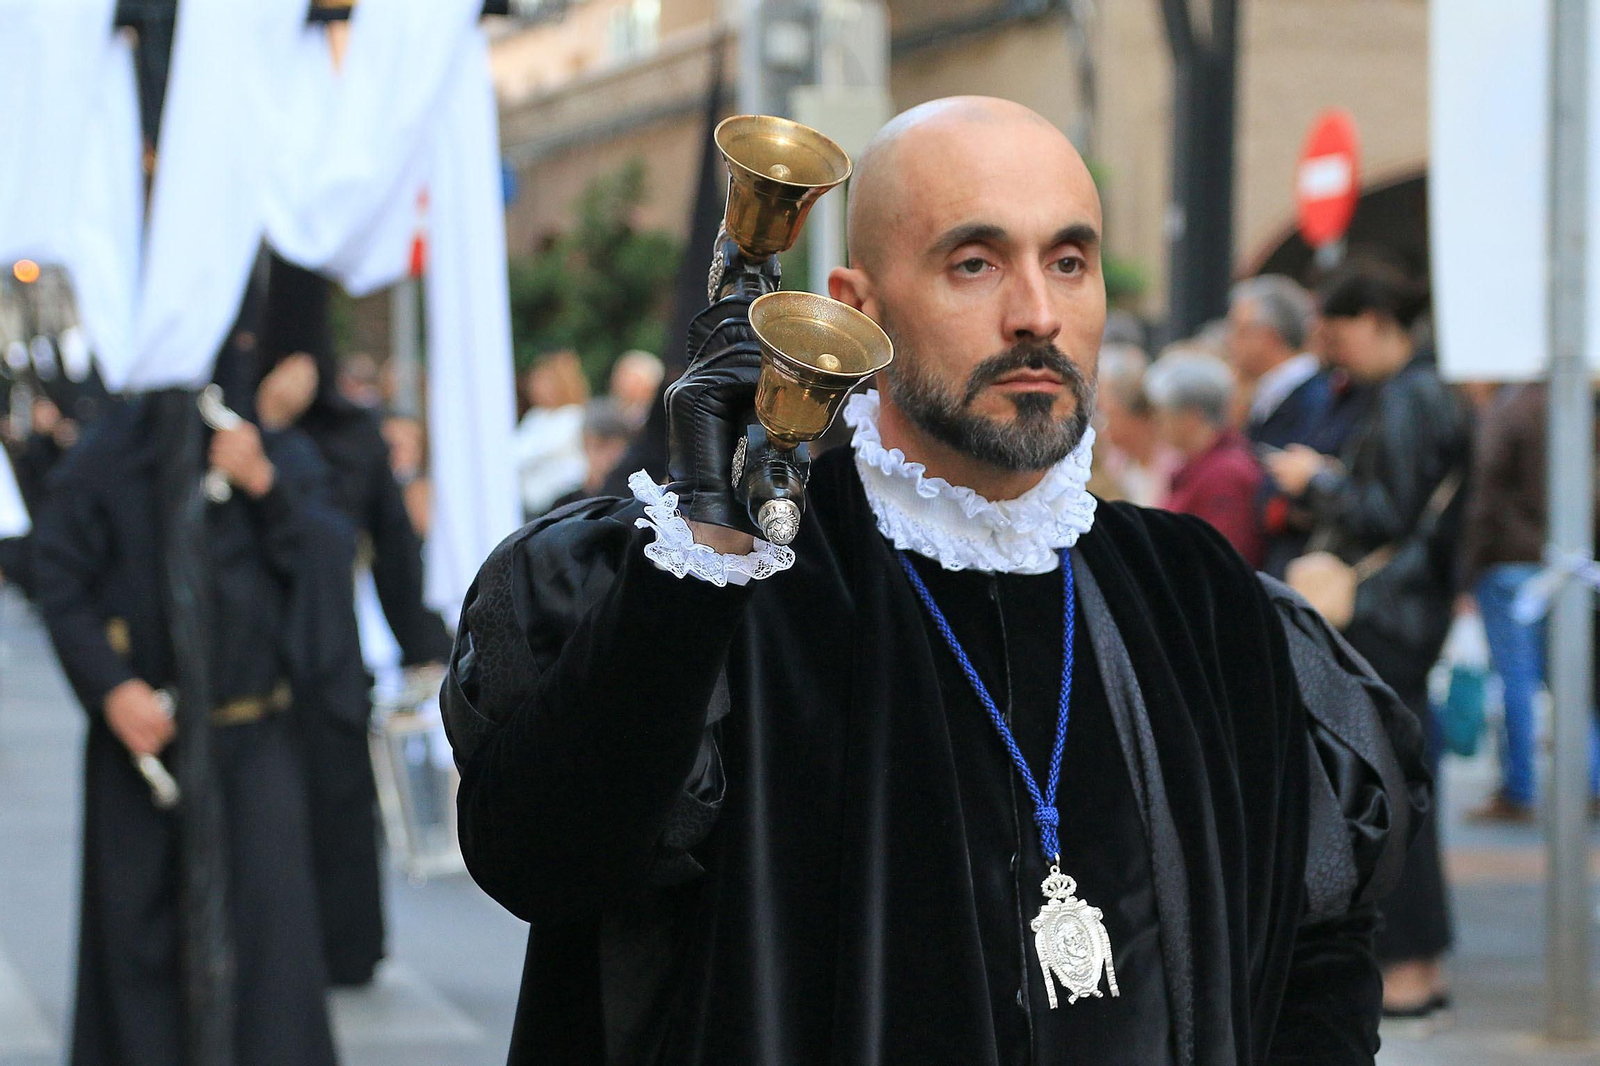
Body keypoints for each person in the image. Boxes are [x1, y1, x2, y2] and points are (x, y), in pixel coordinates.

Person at [444, 98, 1424, 1064]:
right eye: (975, 263)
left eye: (1068, 262)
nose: (1037, 314)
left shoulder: (1201, 595)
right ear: (857, 305)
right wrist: (699, 551)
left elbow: (1319, 942)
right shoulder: (726, 583)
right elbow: (547, 861)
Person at [33, 387, 350, 1066]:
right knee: (138, 945)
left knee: (270, 944)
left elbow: (326, 563)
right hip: (146, 745)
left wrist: (264, 486)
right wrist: (111, 686)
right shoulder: (108, 454)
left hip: (256, 738)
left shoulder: (276, 450)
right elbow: (58, 573)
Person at [1267, 260, 1470, 1027]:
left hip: (1389, 613)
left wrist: (1316, 482)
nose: (1332, 347)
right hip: (1407, 610)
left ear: (1377, 323)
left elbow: (1386, 511)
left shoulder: (1412, 395)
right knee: (1401, 782)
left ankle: (1411, 968)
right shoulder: (1422, 390)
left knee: (1392, 789)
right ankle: (1418, 964)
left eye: (1340, 329)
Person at [254, 256, 455, 986]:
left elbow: (394, 554)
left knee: (336, 801)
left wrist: (428, 650)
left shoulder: (353, 435)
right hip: (254, 651)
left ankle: (342, 947)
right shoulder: (239, 427)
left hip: (328, 651)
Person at [1460, 382, 1600, 822]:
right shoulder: (1575, 405)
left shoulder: (1511, 410)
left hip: (1512, 560)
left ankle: (1519, 787)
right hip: (1568, 561)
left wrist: (1469, 567)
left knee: (1516, 681)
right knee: (1571, 679)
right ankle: (1593, 781)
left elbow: (1485, 492)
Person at [1146, 348, 1266, 568]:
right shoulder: (1197, 465)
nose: (1157, 422)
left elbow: (1220, 558)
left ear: (1192, 417)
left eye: (1164, 413)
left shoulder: (1226, 474)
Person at [1226, 275, 1325, 449]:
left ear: (1270, 337)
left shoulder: (1317, 397)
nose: (1229, 341)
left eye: (1241, 331)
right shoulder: (1262, 395)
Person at [1093, 342, 1176, 506]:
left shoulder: (1174, 468)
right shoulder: (1112, 465)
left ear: (1139, 419)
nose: (1105, 427)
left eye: (1112, 416)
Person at [514, 350, 589, 520]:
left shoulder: (572, 416)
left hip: (560, 504)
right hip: (531, 506)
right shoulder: (535, 416)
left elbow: (531, 453)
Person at [550, 397, 638, 511]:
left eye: (616, 449)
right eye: (600, 446)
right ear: (585, 444)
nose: (609, 456)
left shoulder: (633, 502)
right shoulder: (565, 504)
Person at [609, 348, 666, 428]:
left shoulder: (661, 419)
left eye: (633, 381)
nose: (623, 384)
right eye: (620, 377)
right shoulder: (600, 414)